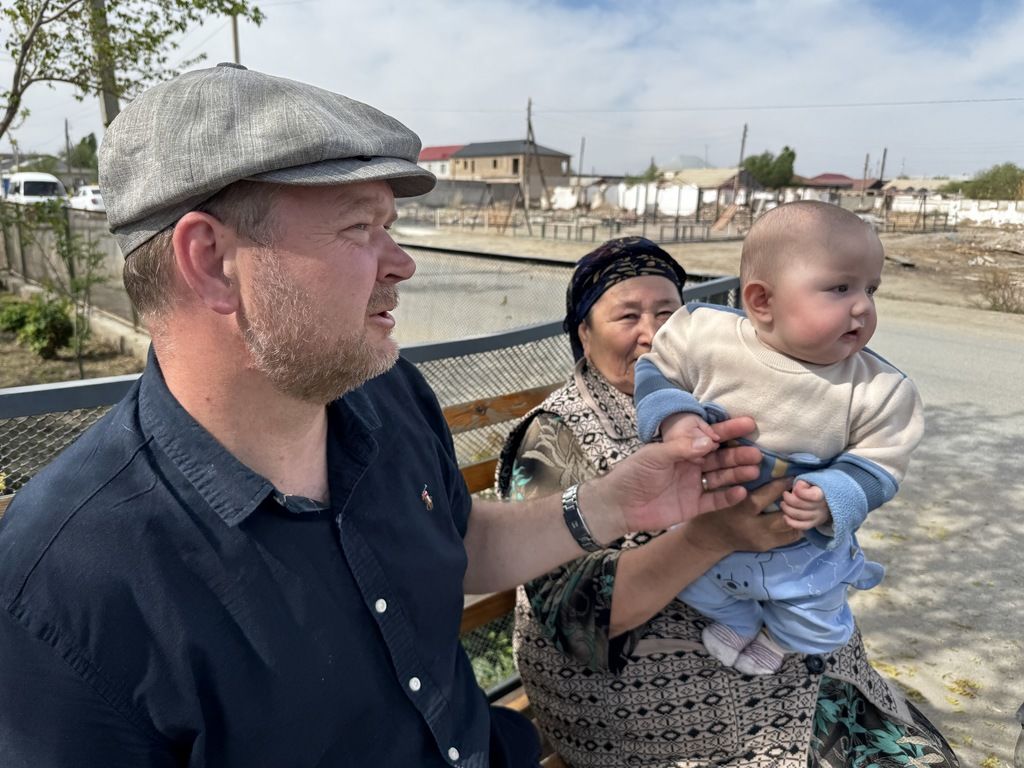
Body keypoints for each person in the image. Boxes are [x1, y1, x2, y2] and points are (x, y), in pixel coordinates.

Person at [0, 65, 762, 768]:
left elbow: (459, 542)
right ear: (211, 261)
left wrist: (614, 503)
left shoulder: (385, 394)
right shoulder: (64, 589)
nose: (401, 262)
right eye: (360, 228)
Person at [496, 236, 959, 767]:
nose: (653, 333)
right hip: (671, 714)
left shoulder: (729, 383)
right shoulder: (556, 436)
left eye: (667, 312)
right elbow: (573, 620)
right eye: (627, 316)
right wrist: (713, 538)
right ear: (584, 332)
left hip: (809, 675)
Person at [634, 201, 923, 675]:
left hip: (797, 544)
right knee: (694, 585)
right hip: (704, 522)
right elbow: (656, 371)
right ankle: (739, 620)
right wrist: (675, 417)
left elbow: (882, 463)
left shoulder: (876, 388)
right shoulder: (706, 337)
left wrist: (833, 495)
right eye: (841, 288)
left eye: (871, 289)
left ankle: (780, 638)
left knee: (819, 620)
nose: (862, 306)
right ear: (762, 302)